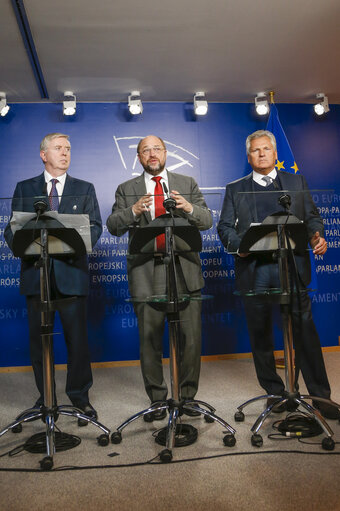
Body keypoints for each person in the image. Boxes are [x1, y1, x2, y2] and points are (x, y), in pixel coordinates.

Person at [217, 129, 339, 419]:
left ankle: (321, 397)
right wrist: (239, 247)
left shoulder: (296, 183)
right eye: (256, 150)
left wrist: (317, 236)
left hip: (292, 267)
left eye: (266, 149)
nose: (261, 154)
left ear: (275, 153)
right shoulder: (236, 188)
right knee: (260, 334)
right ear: (249, 157)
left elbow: (311, 218)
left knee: (305, 332)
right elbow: (224, 228)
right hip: (255, 270)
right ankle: (275, 394)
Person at [106, 135, 212, 421]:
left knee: (190, 339)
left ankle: (187, 398)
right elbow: (113, 225)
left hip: (184, 270)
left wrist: (188, 207)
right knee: (149, 340)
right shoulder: (126, 189)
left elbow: (207, 220)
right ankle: (157, 399)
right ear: (139, 158)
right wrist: (134, 210)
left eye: (157, 149)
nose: (152, 154)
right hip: (146, 273)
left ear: (166, 153)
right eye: (145, 150)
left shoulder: (187, 183)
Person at [5, 133, 102, 423]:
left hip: (72, 274)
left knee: (77, 341)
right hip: (37, 277)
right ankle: (46, 396)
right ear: (43, 154)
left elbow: (95, 227)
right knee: (39, 343)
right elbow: (11, 230)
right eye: (58, 148)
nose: (65, 153)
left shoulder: (84, 188)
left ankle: (80, 396)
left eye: (68, 148)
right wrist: (26, 246)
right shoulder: (25, 188)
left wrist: (73, 244)